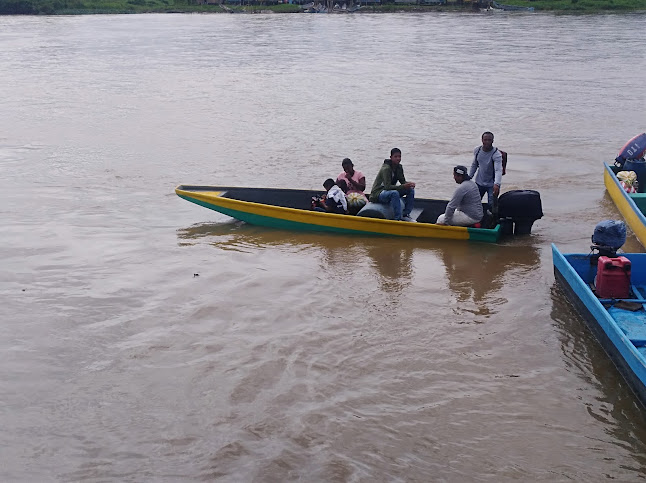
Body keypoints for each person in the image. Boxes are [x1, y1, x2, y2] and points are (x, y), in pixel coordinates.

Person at [369, 148, 416, 222]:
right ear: (391, 157)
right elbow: (387, 187)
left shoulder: (399, 167)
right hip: (378, 193)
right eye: (396, 156)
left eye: (399, 156)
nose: (398, 158)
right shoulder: (386, 169)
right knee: (394, 193)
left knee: (410, 190)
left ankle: (405, 214)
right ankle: (397, 218)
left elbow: (402, 181)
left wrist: (409, 184)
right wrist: (403, 186)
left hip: (388, 191)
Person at [468, 131, 503, 210]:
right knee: (474, 203)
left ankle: (493, 220)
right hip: (479, 182)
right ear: (482, 140)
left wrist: (497, 184)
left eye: (489, 140)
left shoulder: (496, 154)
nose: (487, 142)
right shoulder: (477, 150)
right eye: (485, 140)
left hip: (492, 184)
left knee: (492, 205)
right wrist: (469, 177)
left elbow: (498, 170)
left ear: (492, 141)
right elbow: (474, 165)